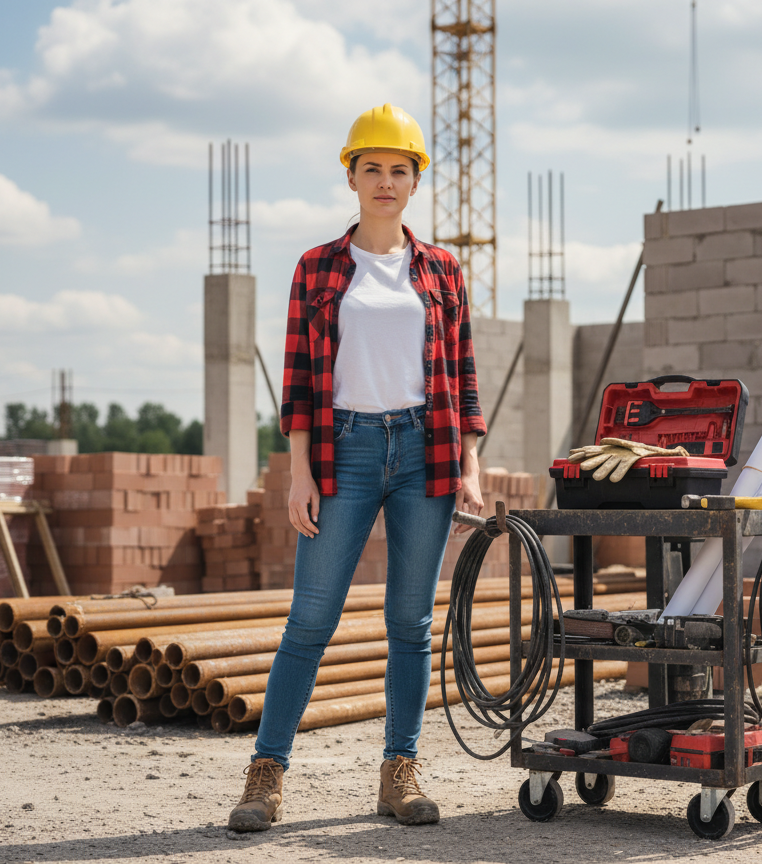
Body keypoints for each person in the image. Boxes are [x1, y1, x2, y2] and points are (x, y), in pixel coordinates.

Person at [228, 103, 486, 831]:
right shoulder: (317, 267)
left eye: (398, 170)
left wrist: (470, 462)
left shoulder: (441, 269)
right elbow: (299, 385)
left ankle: (398, 774)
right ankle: (265, 775)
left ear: (413, 183)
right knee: (310, 620)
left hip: (425, 450)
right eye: (371, 167)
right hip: (345, 449)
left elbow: (464, 373)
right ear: (350, 176)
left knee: (410, 623)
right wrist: (300, 472)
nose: (384, 181)